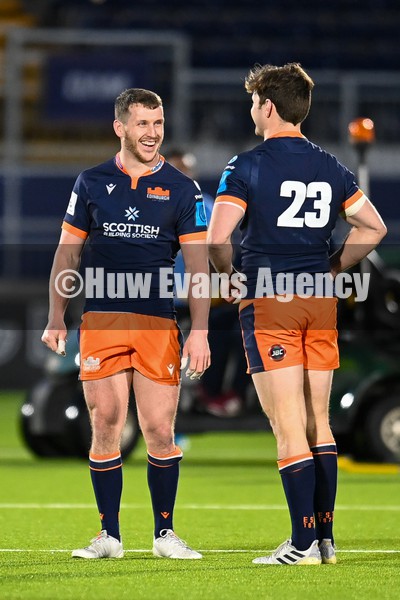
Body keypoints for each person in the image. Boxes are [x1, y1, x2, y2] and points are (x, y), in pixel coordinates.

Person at [207, 63, 387, 565]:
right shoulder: (330, 165)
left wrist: (227, 275)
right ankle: (325, 540)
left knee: (288, 428)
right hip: (318, 300)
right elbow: (372, 228)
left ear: (267, 106)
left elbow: (218, 237)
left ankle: (302, 542)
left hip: (272, 301)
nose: (250, 110)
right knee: (318, 425)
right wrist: (331, 267)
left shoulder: (248, 164)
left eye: (253, 103)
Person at [41, 88, 210, 559]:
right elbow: (68, 252)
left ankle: (165, 535)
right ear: (120, 127)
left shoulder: (183, 188)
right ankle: (108, 535)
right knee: (106, 422)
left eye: (158, 124)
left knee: (159, 428)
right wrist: (57, 316)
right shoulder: (91, 182)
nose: (153, 133)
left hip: (158, 323)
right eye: (142, 124)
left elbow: (198, 266)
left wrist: (199, 330)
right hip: (102, 320)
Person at [165, 148, 248, 417]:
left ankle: (218, 393)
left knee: (240, 329)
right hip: (160, 297)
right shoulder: (149, 205)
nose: (181, 176)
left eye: (185, 170)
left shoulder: (209, 207)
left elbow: (223, 248)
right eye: (175, 169)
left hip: (200, 299)